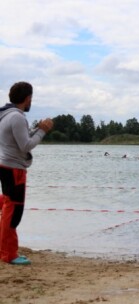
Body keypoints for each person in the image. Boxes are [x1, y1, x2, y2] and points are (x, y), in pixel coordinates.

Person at [0, 82, 53, 265]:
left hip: (6, 166)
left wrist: (34, 129)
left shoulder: (6, 114)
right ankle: (9, 254)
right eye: (32, 98)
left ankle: (6, 251)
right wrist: (42, 131)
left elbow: (18, 139)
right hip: (14, 169)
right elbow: (26, 145)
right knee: (13, 212)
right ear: (28, 98)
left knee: (8, 204)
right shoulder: (17, 117)